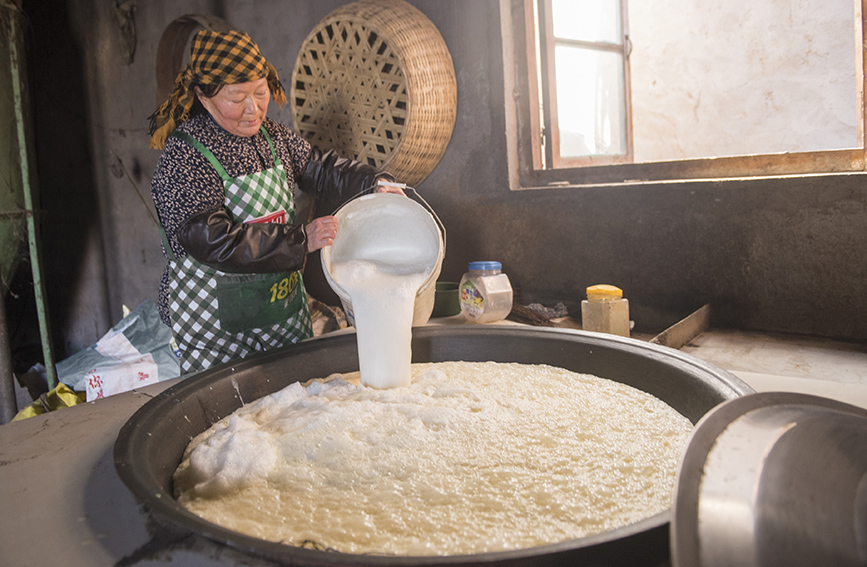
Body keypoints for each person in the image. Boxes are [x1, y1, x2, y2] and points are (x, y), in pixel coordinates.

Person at [149, 29, 402, 374]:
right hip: (214, 323)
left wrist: (373, 182)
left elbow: (320, 167)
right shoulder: (186, 155)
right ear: (203, 97)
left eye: (260, 91)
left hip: (279, 310)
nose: (253, 108)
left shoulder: (274, 138)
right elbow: (210, 239)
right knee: (225, 415)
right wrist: (302, 239)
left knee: (293, 401)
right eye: (237, 98)